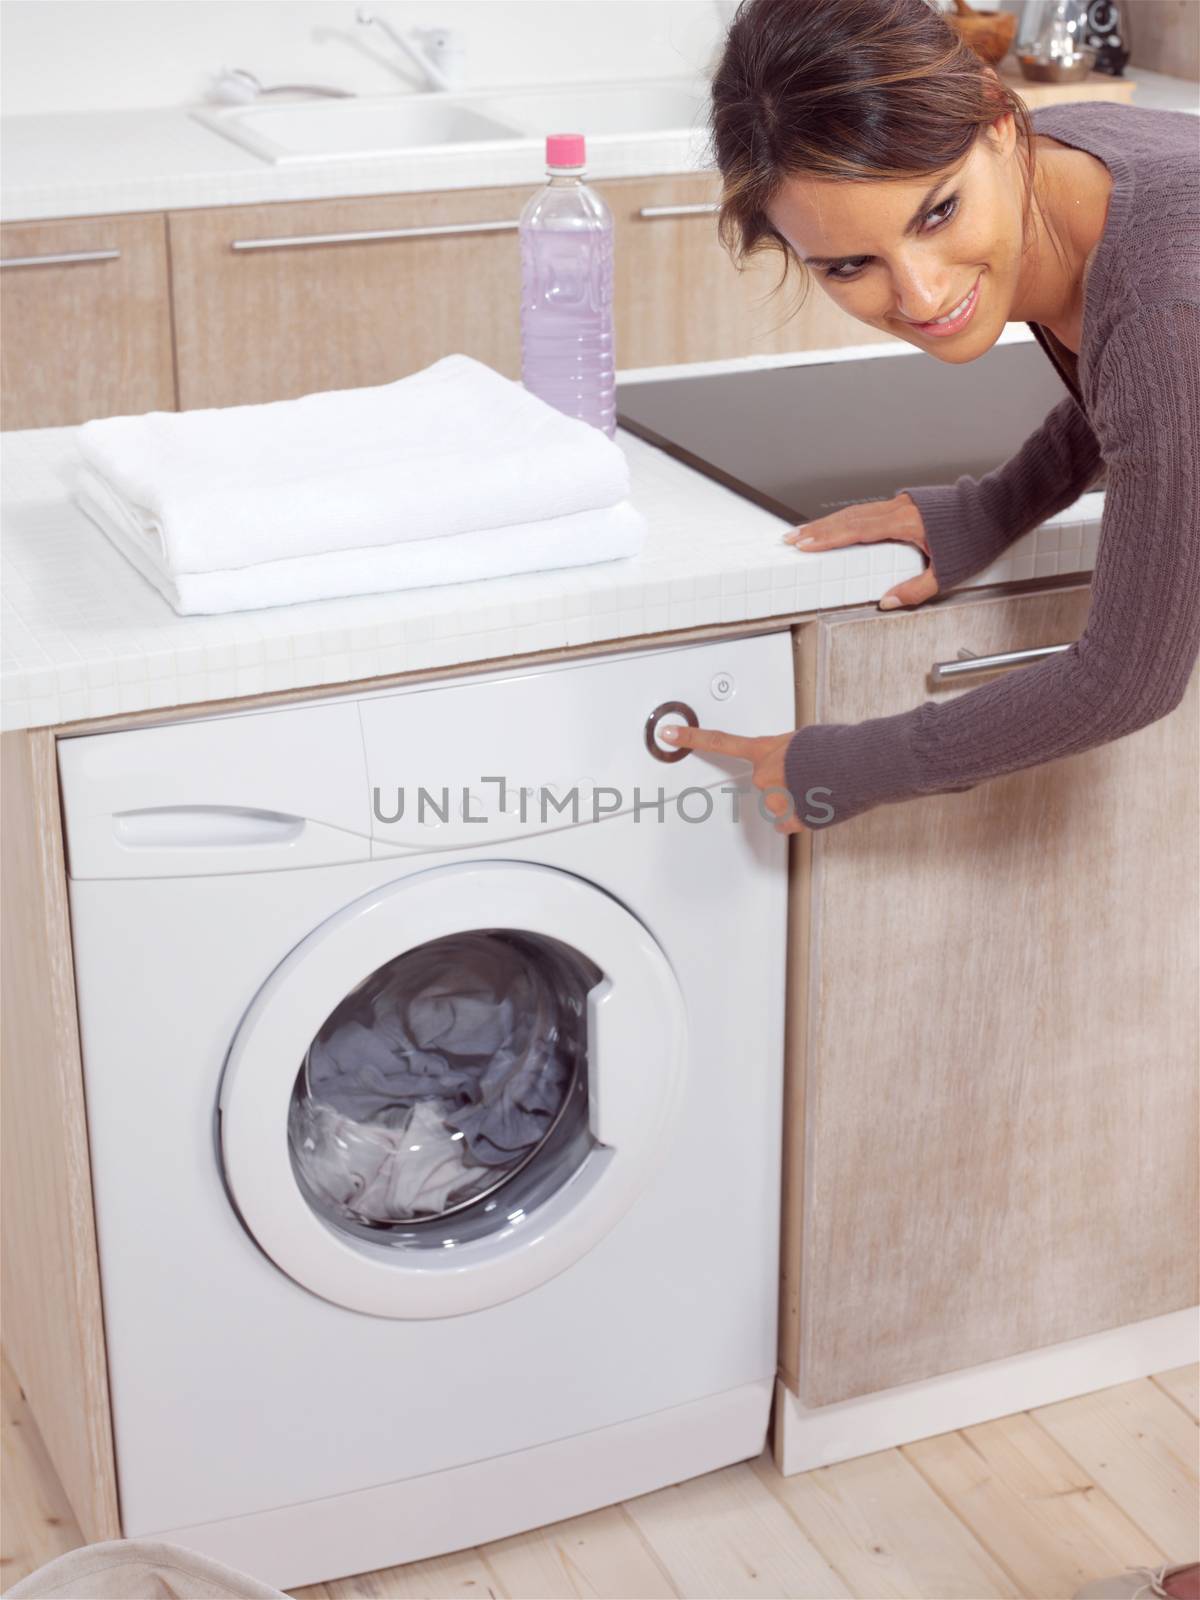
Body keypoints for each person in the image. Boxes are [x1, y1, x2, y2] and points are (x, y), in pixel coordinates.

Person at [658, 0, 1199, 861]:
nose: (920, 295)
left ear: (994, 118)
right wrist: (991, 508)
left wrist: (850, 763)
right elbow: (1145, 389)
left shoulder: (1166, 297)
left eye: (937, 213)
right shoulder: (1069, 161)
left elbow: (1129, 679)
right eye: (848, 265)